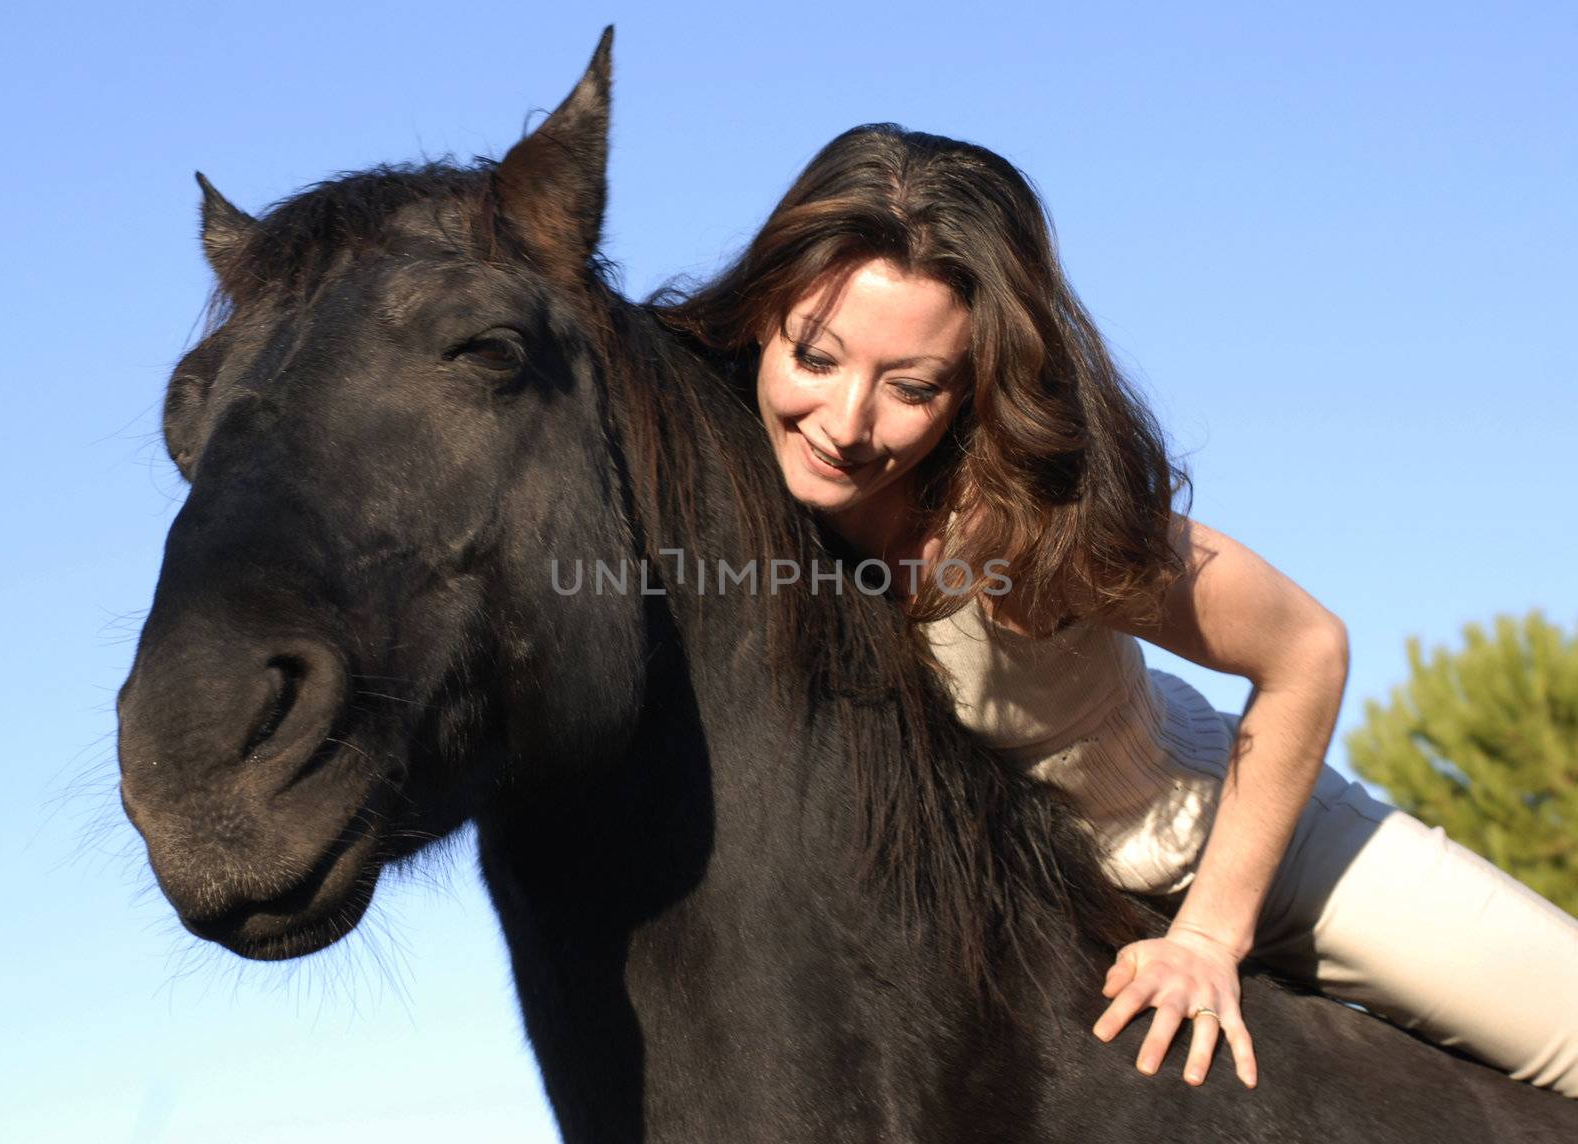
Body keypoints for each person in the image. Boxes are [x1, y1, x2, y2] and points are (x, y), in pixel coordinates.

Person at [648, 122, 1578, 1097]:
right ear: (760, 314)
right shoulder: (715, 476)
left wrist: (1211, 933)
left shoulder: (1029, 522)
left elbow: (1307, 646)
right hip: (1027, 910)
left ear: (973, 384)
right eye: (815, 357)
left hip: (1243, 844)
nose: (844, 424)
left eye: (911, 387)